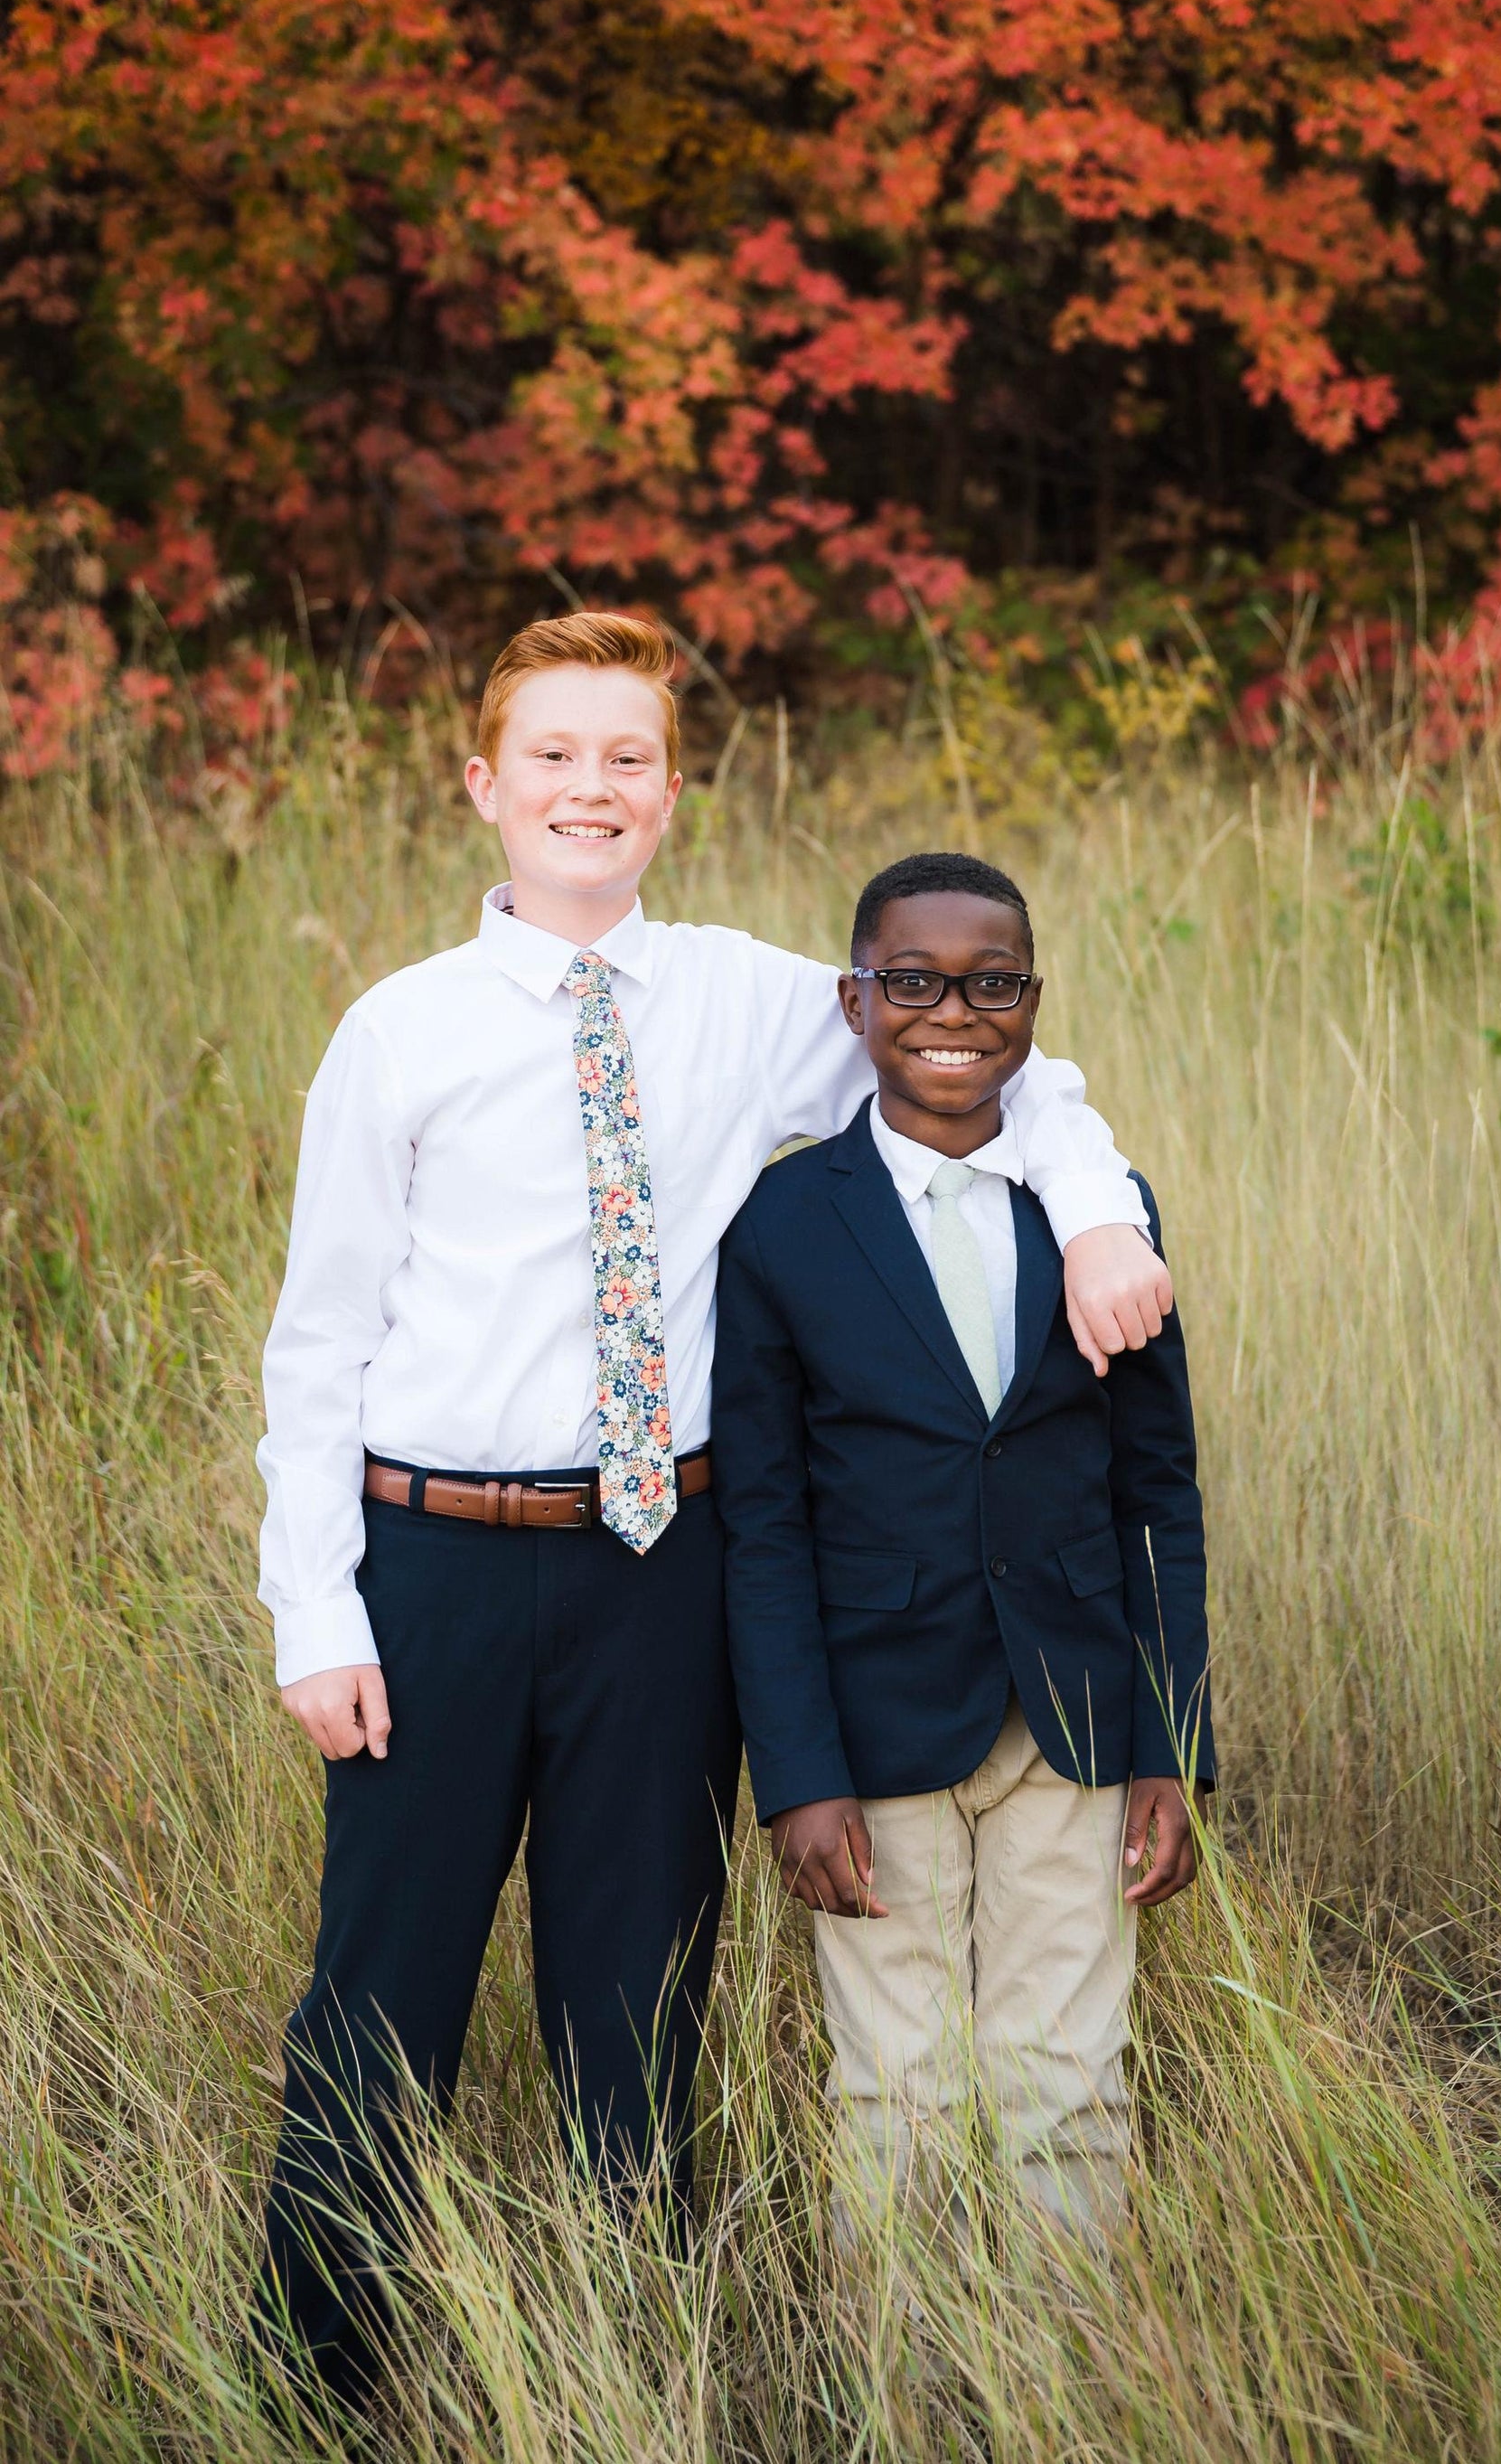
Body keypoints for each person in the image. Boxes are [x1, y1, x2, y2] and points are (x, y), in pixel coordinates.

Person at [252, 613, 1174, 2403]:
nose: (588, 788)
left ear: (672, 794)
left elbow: (980, 1055)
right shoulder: (399, 1030)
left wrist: (1093, 1209)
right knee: (380, 1994)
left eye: (627, 758)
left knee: (636, 2000)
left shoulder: (746, 999)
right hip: (430, 1567)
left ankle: (623, 2373)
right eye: (552, 755)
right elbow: (321, 1339)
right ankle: (309, 2386)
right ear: (483, 785)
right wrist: (319, 1610)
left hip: (660, 1564)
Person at [712, 850, 1212, 2253]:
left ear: (1032, 1001)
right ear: (855, 1001)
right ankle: (903, 2364)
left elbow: (1156, 1492)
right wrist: (797, 1776)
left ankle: (1062, 2364)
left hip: (1074, 1719)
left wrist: (1168, 1741)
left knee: (1069, 2080)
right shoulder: (782, 1224)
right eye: (913, 981)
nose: (953, 1012)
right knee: (896, 2086)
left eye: (992, 984)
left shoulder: (1098, 1210)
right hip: (874, 1729)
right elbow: (763, 1529)